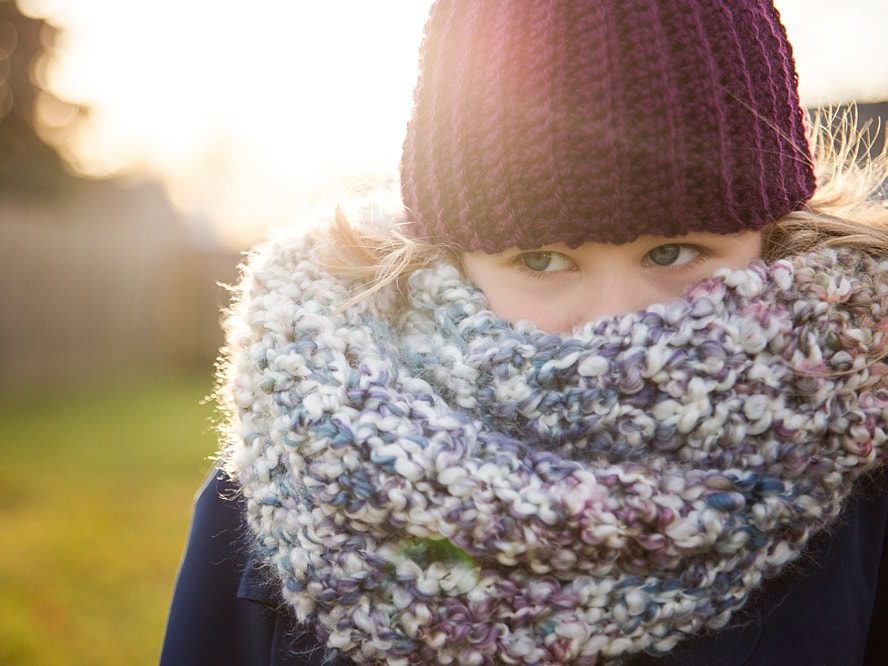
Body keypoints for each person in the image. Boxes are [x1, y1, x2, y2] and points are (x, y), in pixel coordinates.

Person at [161, 1, 888, 664]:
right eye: (543, 260)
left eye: (672, 254)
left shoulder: (864, 482)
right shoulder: (301, 476)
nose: (615, 320)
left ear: (770, 232)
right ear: (451, 258)